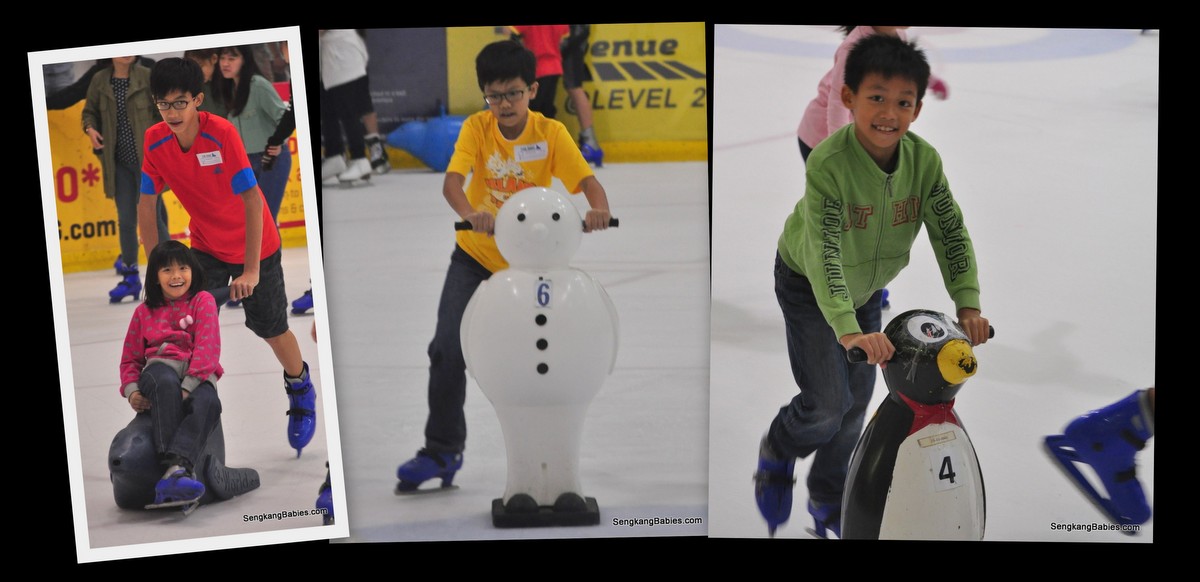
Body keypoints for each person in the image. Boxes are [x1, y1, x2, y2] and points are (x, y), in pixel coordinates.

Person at [754, 34, 989, 538]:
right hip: (808, 283)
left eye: (903, 102)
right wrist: (846, 328)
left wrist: (966, 301)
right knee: (827, 405)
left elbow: (950, 230)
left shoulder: (923, 163)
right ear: (847, 98)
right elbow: (825, 254)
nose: (889, 113)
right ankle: (779, 444)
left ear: (918, 108)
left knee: (859, 405)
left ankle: (826, 495)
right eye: (876, 97)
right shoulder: (829, 165)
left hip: (863, 292)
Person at [394, 39, 613, 492]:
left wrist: (598, 210)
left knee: (546, 355)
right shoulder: (477, 128)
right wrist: (470, 214)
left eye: (513, 93)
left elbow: (588, 183)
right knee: (445, 349)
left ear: (532, 90)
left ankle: (551, 455)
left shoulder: (551, 133)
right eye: (494, 95)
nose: (504, 104)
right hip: (475, 258)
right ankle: (442, 449)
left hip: (531, 270)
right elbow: (453, 183)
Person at [138, 57, 318, 457]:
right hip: (205, 248)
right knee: (187, 326)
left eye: (179, 103)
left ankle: (301, 386)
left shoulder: (220, 135)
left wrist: (251, 269)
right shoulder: (154, 140)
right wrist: (155, 269)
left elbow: (253, 202)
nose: (171, 113)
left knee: (271, 329)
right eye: (163, 104)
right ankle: (184, 413)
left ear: (197, 100)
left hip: (257, 247)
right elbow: (147, 205)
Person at [797, 27, 949, 311]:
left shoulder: (898, 37)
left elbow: (900, 77)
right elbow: (837, 103)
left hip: (864, 144)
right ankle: (830, 288)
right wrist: (843, 156)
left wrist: (930, 82)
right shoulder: (853, 45)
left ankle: (868, 288)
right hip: (824, 141)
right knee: (843, 221)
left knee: (874, 215)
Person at [119, 240, 223, 508]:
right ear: (155, 277)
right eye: (166, 270)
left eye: (182, 268)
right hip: (159, 368)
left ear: (193, 271)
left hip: (197, 372)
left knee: (209, 401)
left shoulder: (203, 300)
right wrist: (132, 391)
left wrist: (189, 387)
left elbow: (208, 347)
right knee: (165, 383)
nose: (176, 276)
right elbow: (130, 358)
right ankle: (171, 467)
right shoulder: (143, 312)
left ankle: (177, 469)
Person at [81, 56, 169, 303]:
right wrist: (90, 128)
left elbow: (162, 111)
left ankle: (168, 271)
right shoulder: (99, 80)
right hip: (117, 163)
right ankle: (131, 276)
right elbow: (89, 112)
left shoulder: (147, 76)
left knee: (154, 218)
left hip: (148, 162)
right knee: (127, 220)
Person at [1045, 388, 1154, 528]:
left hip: (1101, 436)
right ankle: (1112, 435)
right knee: (1138, 513)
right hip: (1102, 445)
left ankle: (1110, 430)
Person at [212, 45, 292, 227]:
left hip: (270, 160)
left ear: (244, 61)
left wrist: (280, 142)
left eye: (232, 59)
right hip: (244, 162)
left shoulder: (258, 85)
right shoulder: (229, 87)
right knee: (251, 221)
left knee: (265, 220)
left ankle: (272, 256)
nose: (225, 64)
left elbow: (283, 116)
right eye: (223, 59)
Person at [319, 29, 389, 184]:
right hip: (331, 54)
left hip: (343, 54)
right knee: (328, 109)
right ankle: (334, 155)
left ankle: (359, 158)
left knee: (348, 110)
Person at [562, 24, 602, 166]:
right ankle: (590, 142)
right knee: (573, 86)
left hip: (571, 32)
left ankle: (590, 143)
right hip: (569, 32)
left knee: (574, 86)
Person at [510, 25, 569, 121]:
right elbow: (564, 41)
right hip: (554, 67)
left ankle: (534, 134)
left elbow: (513, 37)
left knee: (532, 108)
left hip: (536, 67)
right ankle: (549, 134)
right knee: (547, 107)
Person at [183, 48, 227, 117]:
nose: (196, 73)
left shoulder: (229, 80)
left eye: (200, 66)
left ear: (214, 58)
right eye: (192, 69)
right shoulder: (193, 87)